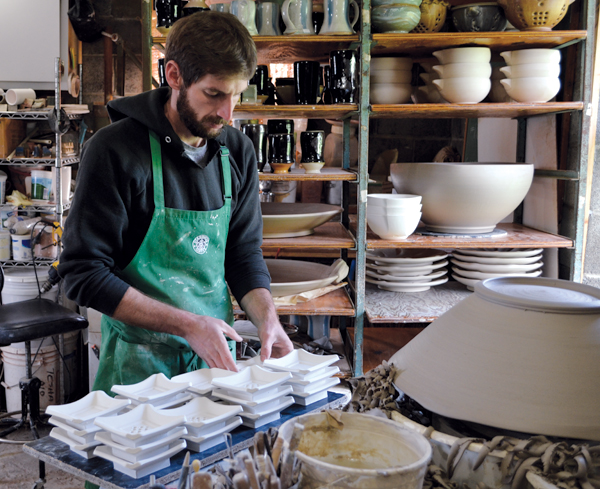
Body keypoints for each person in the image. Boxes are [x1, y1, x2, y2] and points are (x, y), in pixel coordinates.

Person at [58, 11, 294, 396]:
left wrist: (268, 320)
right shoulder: (115, 150)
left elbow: (242, 253)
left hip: (216, 363)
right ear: (173, 76)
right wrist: (188, 325)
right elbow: (82, 273)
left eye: (236, 95)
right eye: (214, 94)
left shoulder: (237, 151)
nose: (227, 114)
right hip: (138, 371)